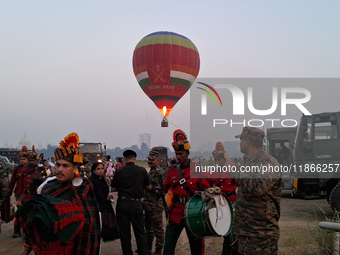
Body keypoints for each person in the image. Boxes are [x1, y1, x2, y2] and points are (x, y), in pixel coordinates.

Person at [17, 132, 101, 255]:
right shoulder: (47, 187)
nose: (60, 169)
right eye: (58, 165)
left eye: (65, 166)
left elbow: (88, 228)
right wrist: (26, 248)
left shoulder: (83, 189)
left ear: (74, 168)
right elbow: (39, 221)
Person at [233, 127, 282, 255]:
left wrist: (236, 172)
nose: (239, 143)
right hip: (245, 232)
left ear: (247, 141)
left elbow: (258, 187)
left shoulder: (268, 162)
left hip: (261, 235)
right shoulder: (249, 163)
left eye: (241, 140)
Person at [162, 129, 210, 255]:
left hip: (193, 213)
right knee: (168, 248)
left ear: (187, 153)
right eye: (176, 153)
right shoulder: (172, 171)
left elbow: (206, 189)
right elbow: (164, 188)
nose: (178, 156)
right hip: (175, 214)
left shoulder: (197, 170)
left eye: (181, 154)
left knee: (196, 248)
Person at [111, 149, 151, 255]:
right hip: (136, 204)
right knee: (140, 231)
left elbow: (113, 188)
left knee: (124, 233)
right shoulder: (142, 170)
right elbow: (148, 187)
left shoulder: (119, 171)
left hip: (122, 204)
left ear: (124, 159)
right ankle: (143, 253)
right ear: (135, 158)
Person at [207, 142, 237, 255]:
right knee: (224, 231)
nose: (218, 162)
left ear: (224, 159)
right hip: (221, 207)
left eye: (220, 160)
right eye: (216, 160)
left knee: (231, 234)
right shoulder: (212, 173)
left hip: (232, 203)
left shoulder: (232, 171)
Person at [89, 162, 119, 242]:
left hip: (105, 203)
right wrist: (106, 197)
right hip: (99, 205)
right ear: (93, 171)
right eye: (98, 169)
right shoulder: (93, 181)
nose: (101, 171)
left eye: (102, 169)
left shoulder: (102, 179)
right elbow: (97, 193)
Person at [143, 150, 164, 255]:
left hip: (156, 205)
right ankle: (148, 248)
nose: (150, 161)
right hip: (147, 204)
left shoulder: (159, 172)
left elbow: (161, 189)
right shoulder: (151, 171)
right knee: (148, 229)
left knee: (158, 229)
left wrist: (150, 188)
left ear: (157, 160)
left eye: (152, 160)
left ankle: (158, 250)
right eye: (149, 159)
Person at [7, 146, 29, 238]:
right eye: (21, 159)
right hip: (18, 194)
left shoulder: (32, 169)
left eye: (24, 159)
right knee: (19, 211)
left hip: (29, 194)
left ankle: (26, 231)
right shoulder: (17, 169)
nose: (22, 161)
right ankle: (17, 230)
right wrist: (10, 191)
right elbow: (12, 181)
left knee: (27, 212)